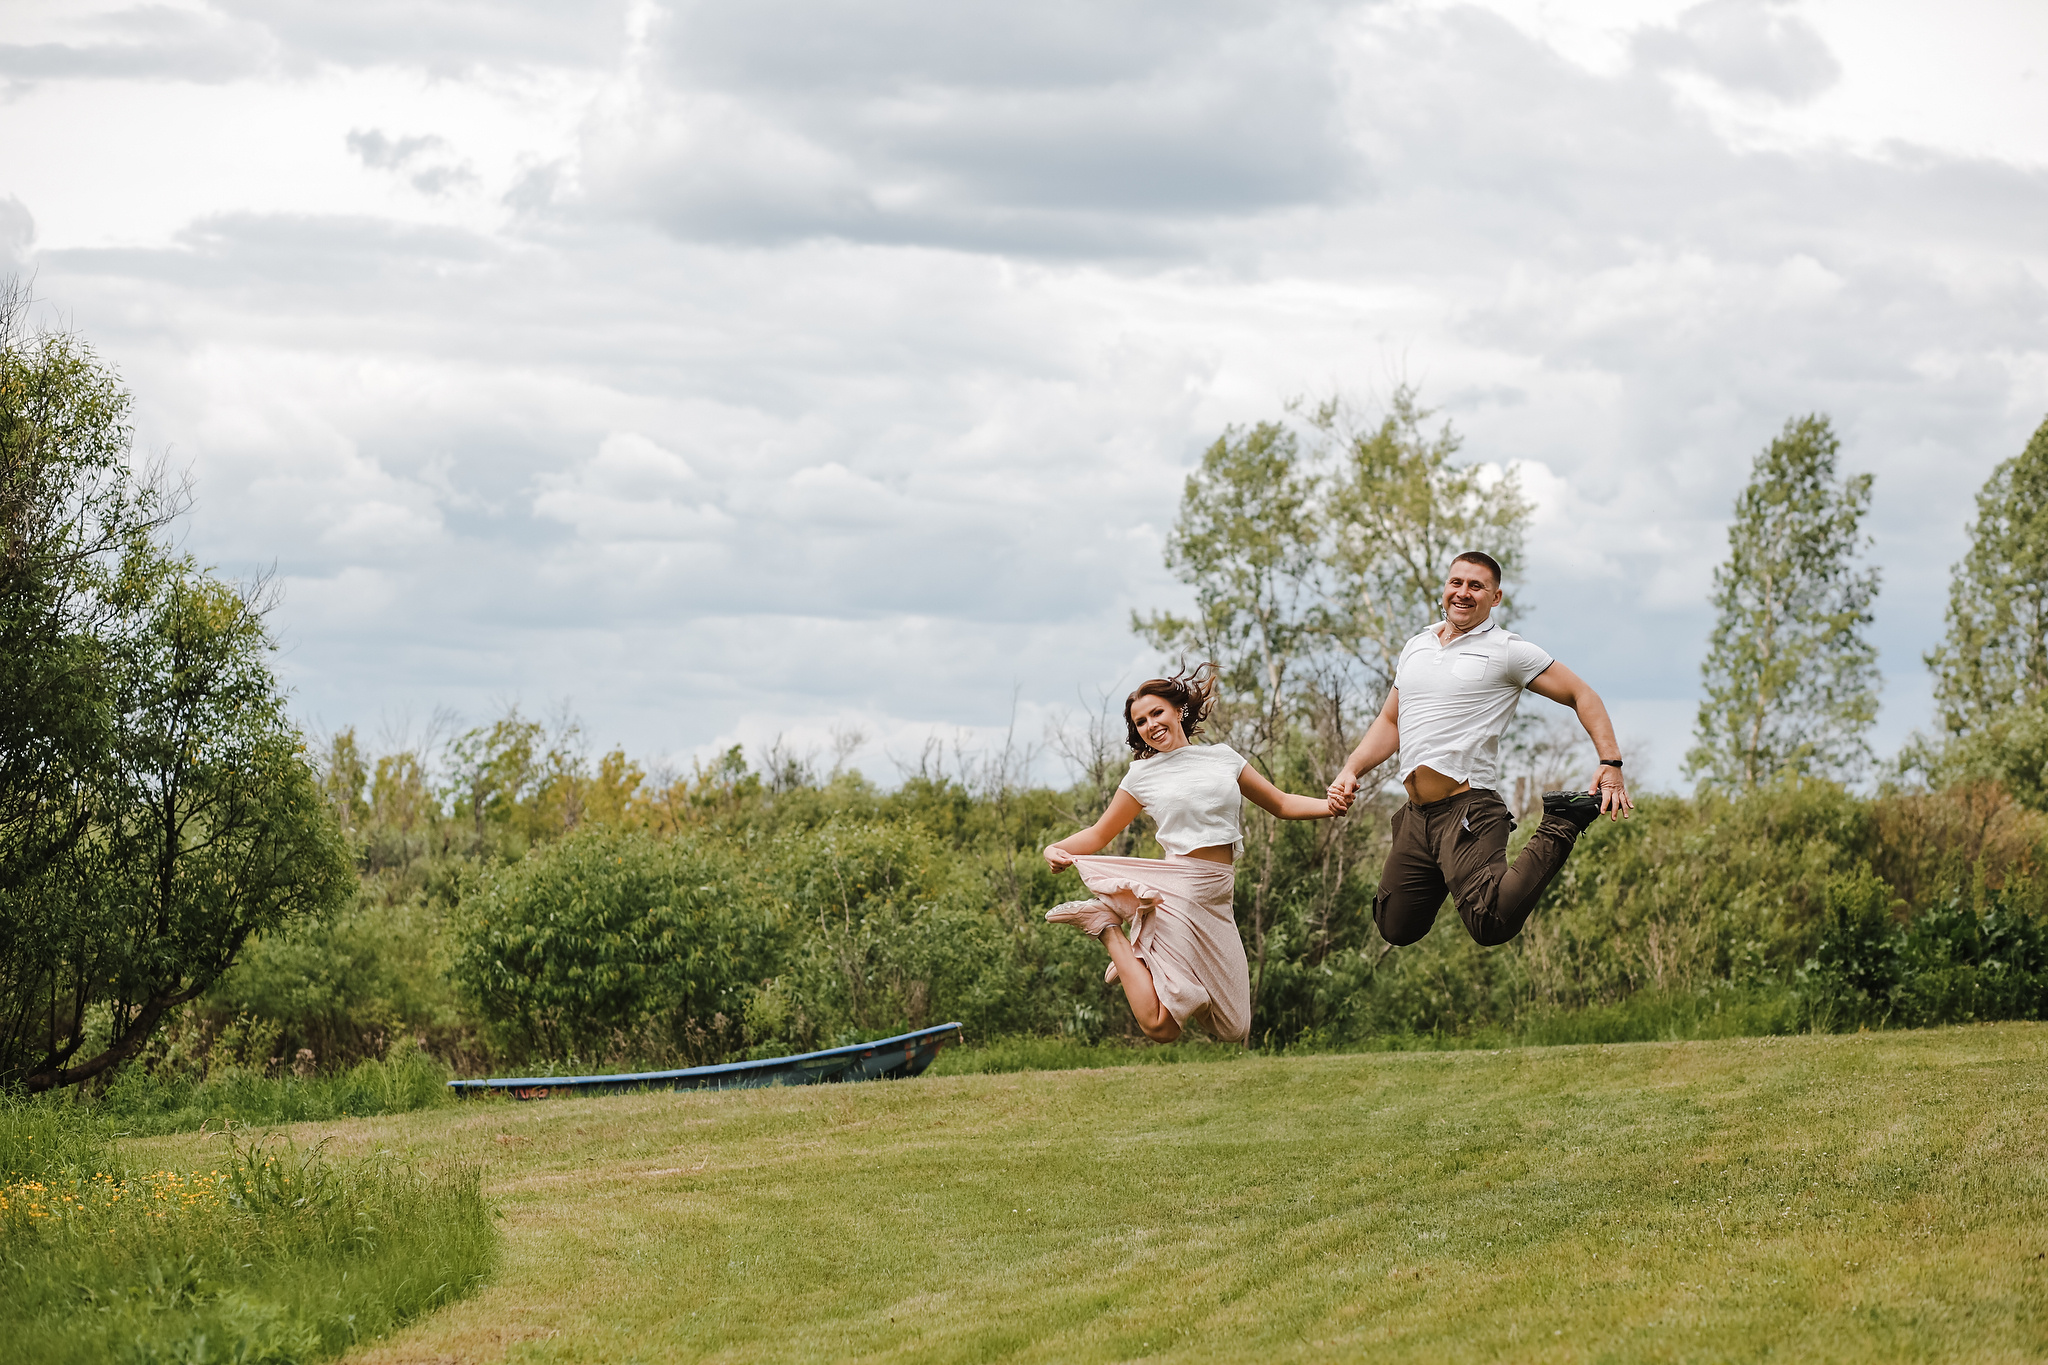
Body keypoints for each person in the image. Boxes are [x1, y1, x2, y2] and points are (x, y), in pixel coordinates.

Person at [1326, 550, 1632, 951]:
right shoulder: (1417, 646)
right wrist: (1352, 768)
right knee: (1395, 926)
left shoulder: (1507, 650)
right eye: (1457, 583)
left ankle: (1562, 820)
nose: (1464, 593)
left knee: (1491, 924)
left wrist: (1610, 762)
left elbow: (1581, 694)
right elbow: (1389, 721)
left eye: (1477, 586)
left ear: (1496, 597)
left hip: (1467, 807)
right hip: (1418, 816)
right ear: (1444, 589)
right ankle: (1445, 864)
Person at [1042, 668, 1350, 1044]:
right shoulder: (1141, 776)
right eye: (1140, 721)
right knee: (1161, 1027)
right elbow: (1100, 833)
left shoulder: (1222, 758)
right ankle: (1107, 929)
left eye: (1156, 713)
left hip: (1218, 896)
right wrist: (1054, 848)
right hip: (1181, 889)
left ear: (1178, 711)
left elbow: (1281, 803)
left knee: (1234, 1027)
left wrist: (1329, 806)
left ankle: (1146, 960)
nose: (1150, 725)